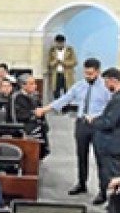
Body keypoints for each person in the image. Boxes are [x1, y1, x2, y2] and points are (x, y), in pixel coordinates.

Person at [46, 57, 111, 204]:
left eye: (91, 74)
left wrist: (97, 117)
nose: (88, 76)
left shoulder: (106, 88)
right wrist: (46, 109)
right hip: (81, 123)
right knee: (81, 155)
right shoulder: (80, 85)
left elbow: (110, 108)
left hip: (98, 125)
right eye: (86, 73)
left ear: (98, 72)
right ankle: (82, 183)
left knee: (100, 158)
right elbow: (65, 99)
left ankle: (102, 190)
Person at [87, 67, 120, 205]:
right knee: (110, 176)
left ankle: (114, 212)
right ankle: (111, 206)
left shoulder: (119, 99)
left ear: (113, 80)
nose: (105, 85)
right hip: (117, 142)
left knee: (112, 178)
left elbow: (109, 122)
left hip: (111, 144)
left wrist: (93, 121)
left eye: (106, 82)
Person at [10, 74, 50, 158]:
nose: (35, 86)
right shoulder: (15, 97)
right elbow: (14, 117)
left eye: (35, 83)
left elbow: (41, 113)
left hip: (36, 126)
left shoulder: (34, 97)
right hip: (22, 128)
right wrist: (33, 113)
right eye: (31, 84)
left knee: (41, 129)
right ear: (23, 85)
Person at [46, 34, 77, 99]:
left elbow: (74, 62)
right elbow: (49, 63)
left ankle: (67, 107)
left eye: (61, 43)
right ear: (55, 42)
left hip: (67, 74)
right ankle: (57, 106)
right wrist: (56, 61)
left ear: (64, 42)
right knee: (56, 91)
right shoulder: (52, 50)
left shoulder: (70, 49)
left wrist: (64, 63)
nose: (59, 45)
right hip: (56, 74)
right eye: (57, 43)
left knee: (68, 91)